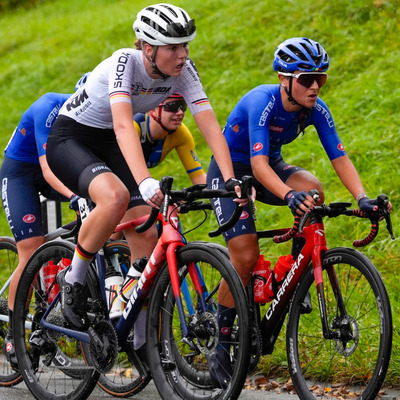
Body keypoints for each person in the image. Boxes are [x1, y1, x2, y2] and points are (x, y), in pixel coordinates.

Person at [46, 4, 244, 337]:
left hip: (109, 140)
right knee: (115, 197)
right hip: (72, 137)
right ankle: (73, 279)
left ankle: (136, 339)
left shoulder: (184, 70)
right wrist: (145, 180)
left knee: (148, 234)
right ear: (148, 48)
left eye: (186, 45)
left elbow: (210, 126)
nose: (182, 54)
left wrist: (230, 179)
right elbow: (125, 126)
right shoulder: (125, 61)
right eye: (173, 47)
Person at [206, 37, 386, 388]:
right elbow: (257, 166)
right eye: (307, 79)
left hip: (270, 166)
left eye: (321, 78)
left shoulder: (316, 108)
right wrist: (288, 195)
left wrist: (362, 198)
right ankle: (222, 342)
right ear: (283, 79)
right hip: (232, 171)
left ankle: (294, 278)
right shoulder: (263, 101)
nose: (315, 86)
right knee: (244, 256)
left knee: (314, 190)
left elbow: (340, 157)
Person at [0, 72, 90, 370]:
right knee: (31, 249)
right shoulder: (48, 107)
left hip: (52, 170)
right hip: (21, 174)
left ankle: (54, 302)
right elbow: (48, 169)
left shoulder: (91, 120)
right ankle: (14, 334)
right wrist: (76, 196)